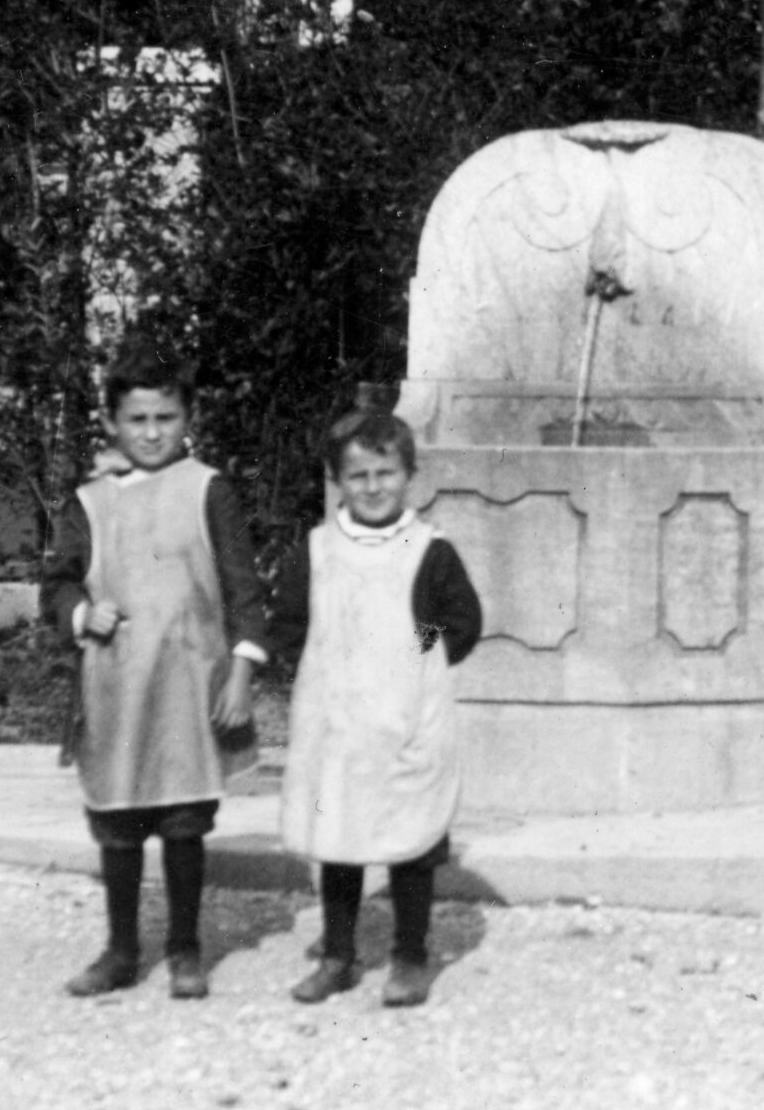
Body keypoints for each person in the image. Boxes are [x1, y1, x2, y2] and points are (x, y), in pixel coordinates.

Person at [45, 355, 265, 999]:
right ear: (112, 423)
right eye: (136, 419)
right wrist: (82, 612)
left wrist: (241, 674)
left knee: (183, 818)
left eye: (165, 417)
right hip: (116, 685)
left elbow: (244, 589)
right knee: (118, 816)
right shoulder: (91, 501)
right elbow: (57, 584)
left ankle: (185, 949)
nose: (150, 432)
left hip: (189, 687)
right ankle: (120, 950)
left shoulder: (208, 490)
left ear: (188, 418)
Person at [263, 407, 483, 1010]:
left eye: (385, 473)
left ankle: (410, 955)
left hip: (408, 718)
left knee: (412, 839)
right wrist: (323, 667)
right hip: (338, 722)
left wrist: (410, 651)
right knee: (340, 835)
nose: (373, 487)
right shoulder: (317, 549)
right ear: (338, 481)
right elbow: (290, 624)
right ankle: (338, 955)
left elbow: (462, 622)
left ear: (409, 475)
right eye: (358, 476)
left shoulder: (430, 551)